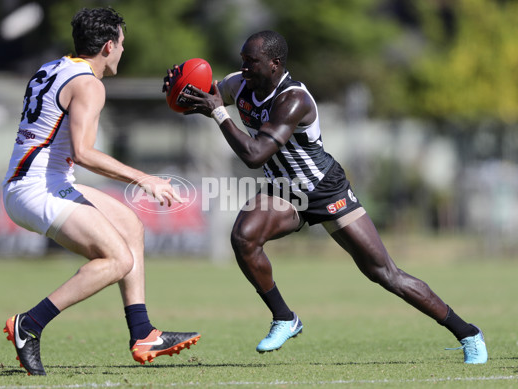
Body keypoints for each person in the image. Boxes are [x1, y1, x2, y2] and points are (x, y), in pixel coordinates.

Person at [168, 30, 487, 364]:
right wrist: (181, 93)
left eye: (252, 61)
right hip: (284, 191)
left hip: (324, 189)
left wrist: (219, 114)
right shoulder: (240, 84)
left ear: (275, 64)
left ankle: (467, 333)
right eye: (243, 60)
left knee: (385, 274)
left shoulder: (294, 99)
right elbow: (206, 96)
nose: (244, 67)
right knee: (243, 237)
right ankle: (284, 318)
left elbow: (255, 154)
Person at [2, 7, 200, 376]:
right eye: (122, 44)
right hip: (37, 189)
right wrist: (145, 178)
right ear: (108, 46)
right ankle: (30, 324)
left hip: (42, 182)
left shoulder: (53, 67)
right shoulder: (90, 84)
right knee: (118, 260)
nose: (123, 51)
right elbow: (84, 153)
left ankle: (143, 333)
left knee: (130, 226)